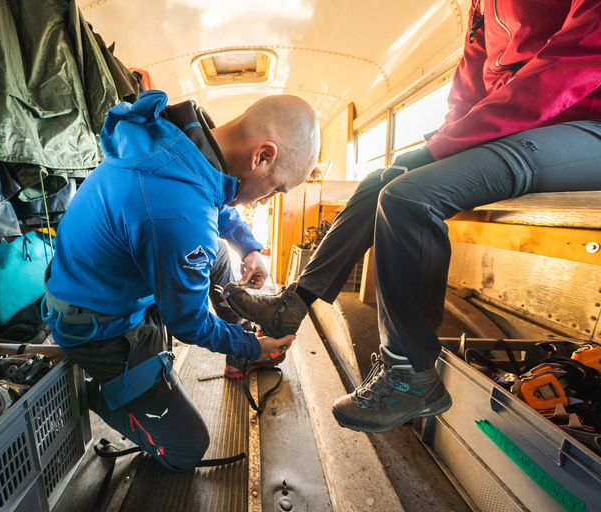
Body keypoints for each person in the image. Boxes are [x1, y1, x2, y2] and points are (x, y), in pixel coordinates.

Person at [224, 0, 601, 434]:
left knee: (407, 197)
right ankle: (293, 305)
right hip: (521, 122)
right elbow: (469, 86)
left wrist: (449, 145)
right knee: (378, 180)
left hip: (580, 115)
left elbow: (574, 58)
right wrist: (446, 137)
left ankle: (411, 373)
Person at [44, 90, 320, 471]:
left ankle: (238, 352)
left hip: (110, 286)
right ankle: (97, 394)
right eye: (276, 188)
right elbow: (188, 322)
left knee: (219, 253)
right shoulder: (176, 213)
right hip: (99, 328)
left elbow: (211, 194)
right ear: (263, 155)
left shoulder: (177, 142)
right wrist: (254, 347)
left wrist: (250, 247)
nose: (265, 201)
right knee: (186, 450)